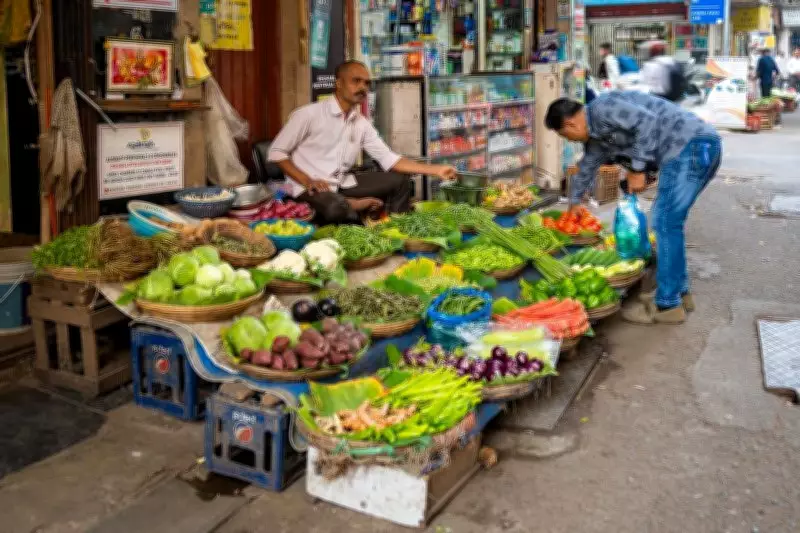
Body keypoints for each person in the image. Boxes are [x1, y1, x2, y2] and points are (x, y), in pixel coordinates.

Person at [543, 92, 722, 325]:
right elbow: (587, 166)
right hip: (696, 148)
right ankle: (678, 292)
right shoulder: (597, 137)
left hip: (689, 146)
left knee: (665, 223)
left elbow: (648, 122)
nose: (570, 141)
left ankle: (667, 306)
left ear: (570, 124)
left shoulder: (602, 108)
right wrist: (574, 201)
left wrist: (637, 170)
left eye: (565, 135)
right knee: (669, 223)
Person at [268, 60, 457, 224]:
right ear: (338, 83)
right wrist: (307, 180)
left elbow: (389, 159)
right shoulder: (309, 115)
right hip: (306, 188)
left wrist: (436, 170)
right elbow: (276, 152)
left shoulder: (361, 123)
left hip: (341, 183)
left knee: (400, 181)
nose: (363, 87)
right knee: (334, 208)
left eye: (366, 83)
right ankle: (351, 205)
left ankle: (395, 231)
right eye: (356, 81)